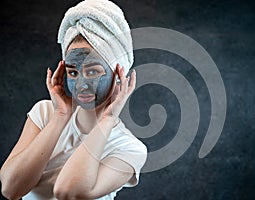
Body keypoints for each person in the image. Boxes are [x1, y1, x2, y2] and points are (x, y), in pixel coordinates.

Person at [0, 0, 147, 199]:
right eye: (73, 72)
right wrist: (60, 116)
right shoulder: (45, 113)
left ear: (118, 74)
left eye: (93, 71)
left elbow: (68, 192)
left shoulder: (130, 148)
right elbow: (10, 189)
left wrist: (107, 119)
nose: (81, 85)